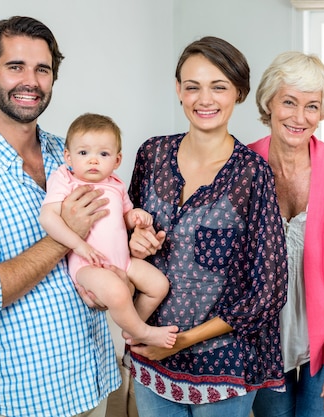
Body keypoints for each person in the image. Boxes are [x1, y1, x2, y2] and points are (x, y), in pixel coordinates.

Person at [0, 16, 121, 417]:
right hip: (29, 397)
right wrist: (65, 235)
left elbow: (106, 233)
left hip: (93, 376)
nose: (30, 81)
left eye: (42, 69)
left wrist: (134, 236)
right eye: (15, 67)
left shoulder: (71, 152)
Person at [124, 36, 288, 417]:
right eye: (192, 86)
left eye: (219, 87)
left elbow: (270, 290)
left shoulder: (252, 174)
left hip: (225, 363)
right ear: (178, 90)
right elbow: (115, 236)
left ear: (239, 93)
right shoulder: (152, 154)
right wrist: (133, 240)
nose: (204, 99)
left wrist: (184, 340)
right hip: (152, 358)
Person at [249, 51, 324, 417]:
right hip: (263, 342)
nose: (300, 117)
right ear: (268, 102)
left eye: (312, 106)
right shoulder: (241, 164)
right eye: (289, 102)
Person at [40, 113, 178, 348]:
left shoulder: (116, 184)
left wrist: (135, 217)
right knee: (117, 290)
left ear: (116, 160)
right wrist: (78, 245)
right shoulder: (65, 178)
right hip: (87, 264)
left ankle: (133, 328)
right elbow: (47, 218)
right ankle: (144, 331)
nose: (93, 161)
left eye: (103, 154)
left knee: (159, 285)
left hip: (122, 260)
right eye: (84, 153)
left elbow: (123, 218)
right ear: (68, 157)